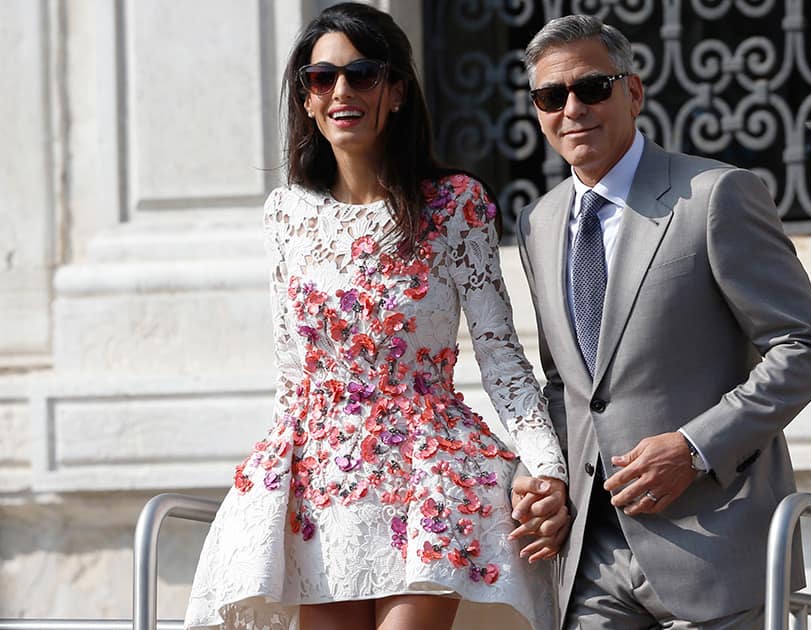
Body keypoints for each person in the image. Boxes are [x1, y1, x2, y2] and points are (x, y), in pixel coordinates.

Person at [184, 4, 567, 630]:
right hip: (319, 485)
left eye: (362, 75)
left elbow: (503, 360)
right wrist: (268, 497)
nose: (341, 91)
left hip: (431, 479)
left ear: (395, 92)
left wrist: (547, 468)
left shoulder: (457, 205)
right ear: (306, 100)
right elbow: (292, 376)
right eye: (321, 78)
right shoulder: (285, 215)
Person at [510, 14, 811, 630]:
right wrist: (544, 475)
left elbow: (805, 347)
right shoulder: (538, 223)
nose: (573, 108)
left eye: (593, 88)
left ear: (632, 92)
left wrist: (693, 449)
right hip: (590, 558)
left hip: (718, 547)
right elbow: (567, 386)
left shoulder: (717, 195)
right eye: (552, 96)